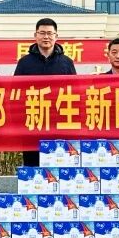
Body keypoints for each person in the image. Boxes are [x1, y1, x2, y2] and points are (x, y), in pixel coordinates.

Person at [13, 17, 76, 166]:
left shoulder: (66, 63)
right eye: (42, 33)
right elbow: (16, 93)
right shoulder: (24, 63)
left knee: (58, 166)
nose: (46, 37)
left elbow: (74, 92)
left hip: (59, 124)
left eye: (49, 33)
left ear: (56, 36)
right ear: (35, 36)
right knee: (33, 167)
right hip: (32, 124)